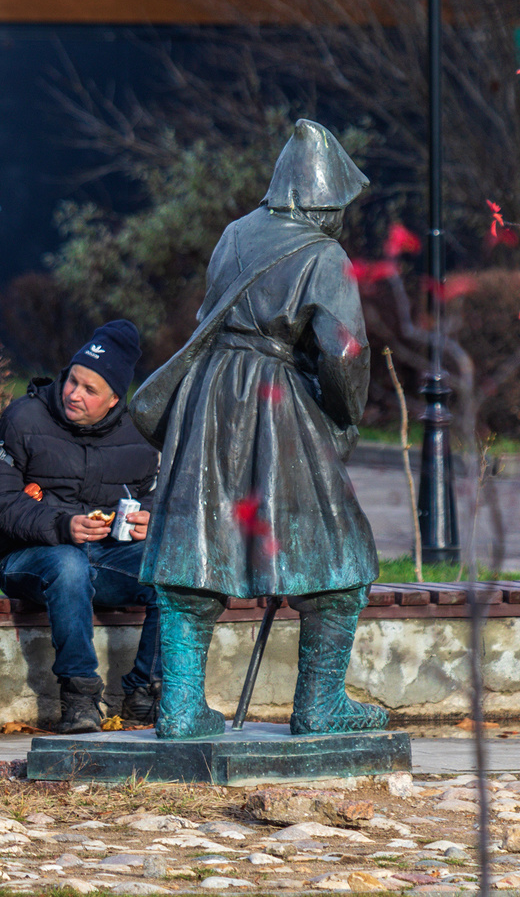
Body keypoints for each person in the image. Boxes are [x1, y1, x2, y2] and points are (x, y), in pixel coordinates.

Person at [132, 118, 385, 739]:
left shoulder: (236, 233)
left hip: (209, 395)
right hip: (273, 398)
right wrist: (344, 414)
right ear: (327, 201)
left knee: (195, 551)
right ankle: (321, 706)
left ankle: (180, 709)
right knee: (341, 560)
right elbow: (344, 351)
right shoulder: (324, 254)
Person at [0, 320, 160, 733]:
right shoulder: (24, 417)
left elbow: (156, 494)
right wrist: (62, 525)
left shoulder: (139, 433)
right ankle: (79, 697)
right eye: (73, 381)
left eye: (89, 390)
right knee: (68, 565)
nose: (74, 394)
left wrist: (152, 518)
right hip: (22, 555)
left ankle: (145, 692)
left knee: (170, 569)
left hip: (106, 554)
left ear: (114, 400)